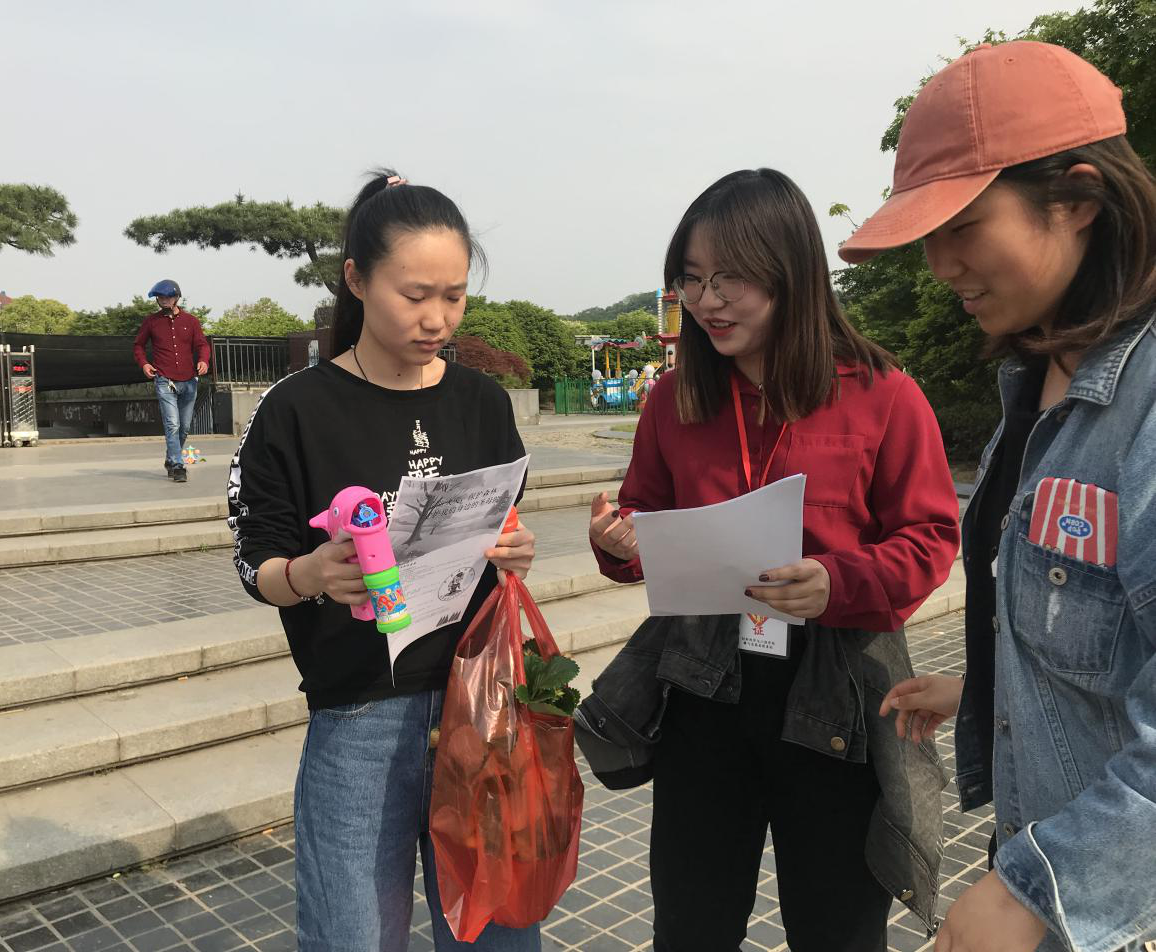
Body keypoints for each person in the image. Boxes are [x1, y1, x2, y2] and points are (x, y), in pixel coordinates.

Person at [587, 167, 960, 951]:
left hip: (836, 689)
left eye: (729, 277)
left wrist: (836, 581)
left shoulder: (881, 393)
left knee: (836, 928)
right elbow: (641, 515)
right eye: (691, 279)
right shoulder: (674, 398)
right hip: (702, 682)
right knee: (690, 923)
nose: (706, 300)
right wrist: (618, 541)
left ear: (788, 271)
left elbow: (929, 536)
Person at [858, 41, 1156, 952]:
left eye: (961, 226)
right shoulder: (1037, 379)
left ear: (1076, 198)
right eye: (926, 237)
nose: (938, 264)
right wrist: (990, 687)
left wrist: (1033, 891)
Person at [227, 170, 538, 952]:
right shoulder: (295, 409)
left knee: (496, 932)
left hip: (480, 704)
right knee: (353, 936)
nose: (437, 318)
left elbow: (502, 523)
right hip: (359, 717)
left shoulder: (481, 402)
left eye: (454, 296)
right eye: (414, 294)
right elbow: (256, 560)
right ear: (357, 280)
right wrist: (309, 574)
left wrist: (514, 549)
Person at [133, 279, 210, 482]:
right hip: (164, 379)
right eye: (160, 297)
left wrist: (203, 360)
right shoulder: (151, 321)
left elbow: (202, 345)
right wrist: (144, 364)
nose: (164, 300)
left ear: (176, 297)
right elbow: (138, 345)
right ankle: (177, 466)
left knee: (184, 427)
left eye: (168, 297)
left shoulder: (191, 321)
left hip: (189, 381)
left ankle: (170, 458)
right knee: (173, 424)